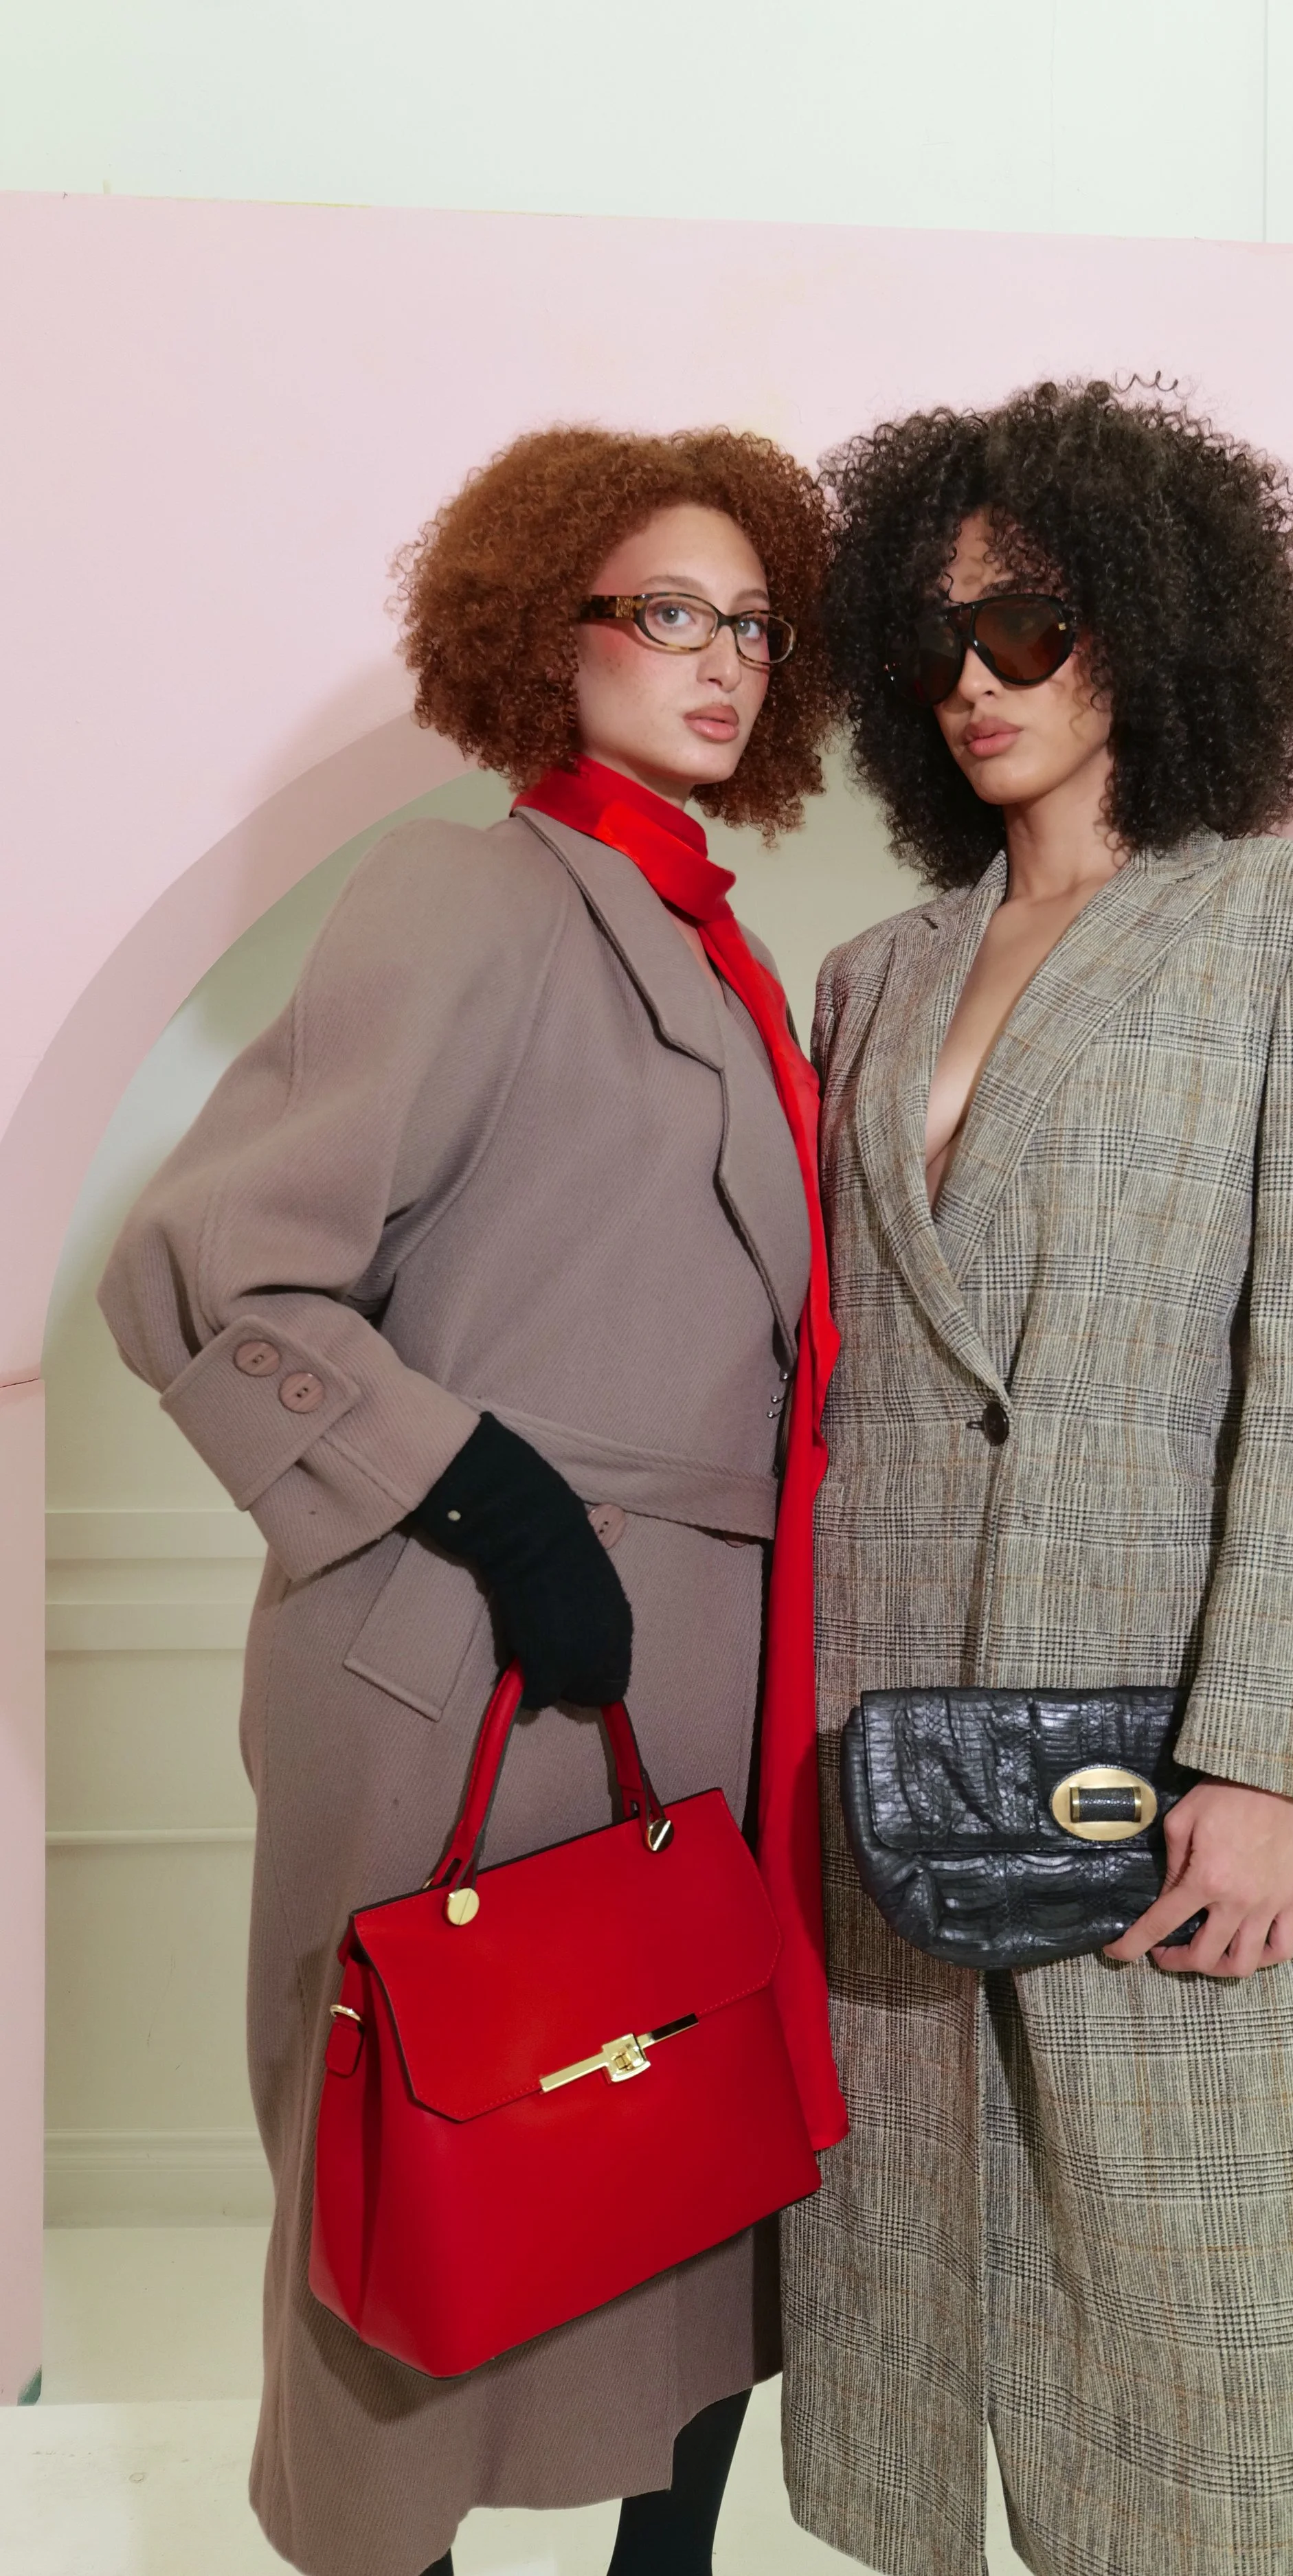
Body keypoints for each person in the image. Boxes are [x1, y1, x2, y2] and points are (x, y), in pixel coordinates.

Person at [98, 422, 844, 2576]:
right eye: (667, 612)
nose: (720, 661)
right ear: (550, 628)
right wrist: (484, 1494)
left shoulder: (717, 945)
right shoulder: (461, 887)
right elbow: (212, 1262)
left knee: (675, 2148)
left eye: (753, 626)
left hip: (688, 1673)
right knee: (421, 2155)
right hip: (459, 1643)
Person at [780, 379, 1293, 2576]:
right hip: (887, 1733)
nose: (974, 679)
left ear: (1149, 626)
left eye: (1029, 627)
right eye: (936, 638)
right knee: (917, 2289)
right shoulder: (867, 977)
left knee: (1205, 2332)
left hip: (1150, 1747)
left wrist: (1263, 1755)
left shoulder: (1292, 929)